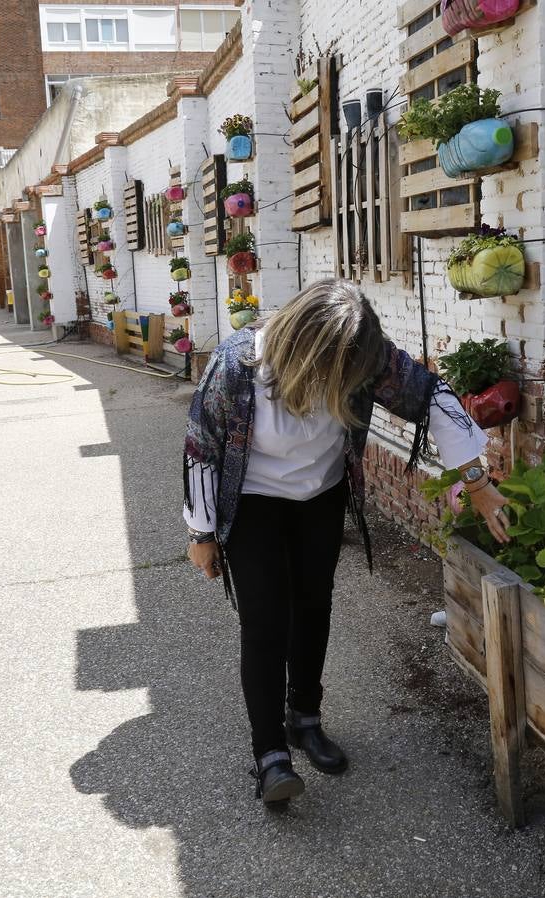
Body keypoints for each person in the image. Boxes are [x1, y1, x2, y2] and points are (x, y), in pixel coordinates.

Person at [182, 278, 509, 805]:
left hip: (322, 495)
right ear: (305, 350)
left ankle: (304, 719)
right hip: (254, 502)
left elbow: (431, 396)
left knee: (313, 608)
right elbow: (202, 445)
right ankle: (269, 755)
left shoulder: (363, 353)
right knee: (265, 622)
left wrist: (478, 484)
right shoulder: (237, 366)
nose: (350, 382)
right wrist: (201, 532)